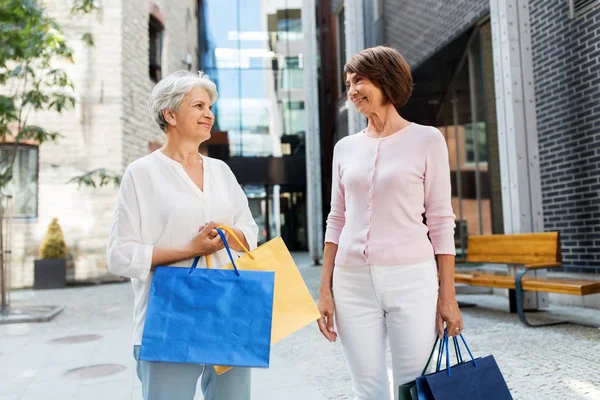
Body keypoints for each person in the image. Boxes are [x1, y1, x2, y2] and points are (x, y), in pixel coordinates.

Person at [317, 46, 463, 400]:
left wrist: (448, 296)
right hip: (351, 282)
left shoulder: (427, 140)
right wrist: (325, 290)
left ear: (385, 80)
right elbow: (337, 218)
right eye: (349, 83)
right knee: (367, 388)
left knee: (413, 384)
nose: (352, 91)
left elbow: (442, 222)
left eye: (359, 80)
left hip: (411, 279)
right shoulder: (345, 148)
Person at [107, 70, 258, 400]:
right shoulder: (141, 174)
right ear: (170, 113)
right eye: (199, 105)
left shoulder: (221, 171)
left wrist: (226, 233)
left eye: (210, 107)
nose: (209, 114)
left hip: (227, 310)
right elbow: (119, 254)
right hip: (168, 315)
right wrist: (188, 249)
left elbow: (250, 233)